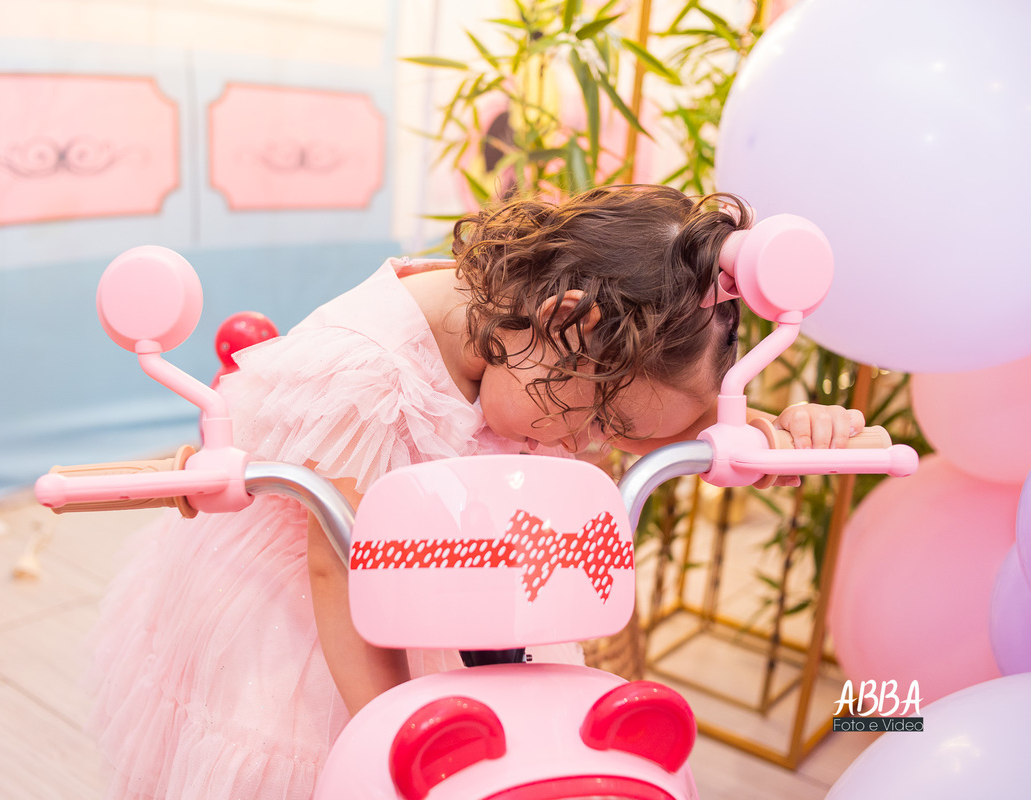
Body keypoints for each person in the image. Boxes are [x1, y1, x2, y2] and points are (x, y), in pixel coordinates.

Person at [85, 185, 864, 800]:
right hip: (328, 614)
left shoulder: (534, 341)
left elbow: (656, 427)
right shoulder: (365, 374)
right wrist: (396, 735)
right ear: (566, 321)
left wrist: (762, 430)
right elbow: (341, 569)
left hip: (454, 576)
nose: (586, 446)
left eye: (612, 430)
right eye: (596, 418)